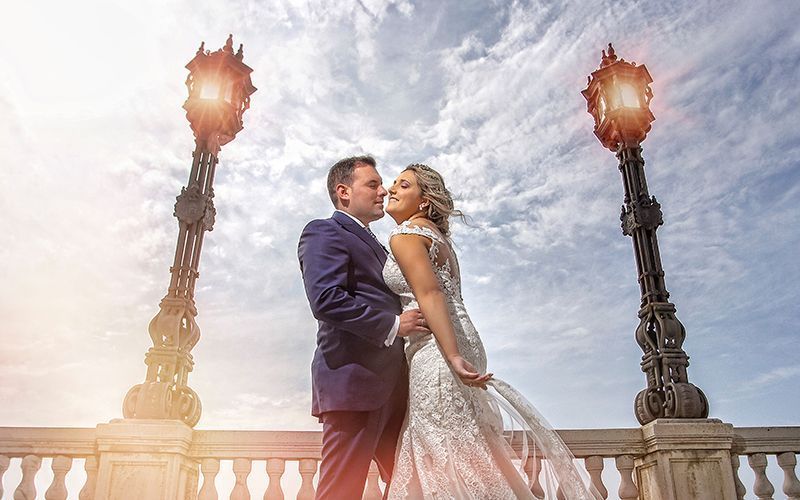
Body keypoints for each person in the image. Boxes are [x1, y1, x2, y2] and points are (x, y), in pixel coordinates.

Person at [383, 163, 601, 499]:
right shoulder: (439, 239)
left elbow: (430, 294)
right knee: (463, 442)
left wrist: (452, 356)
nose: (392, 188)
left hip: (439, 349)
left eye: (403, 185)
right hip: (460, 337)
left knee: (445, 447)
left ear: (424, 201)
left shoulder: (406, 234)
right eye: (393, 183)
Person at [298, 155, 430, 499]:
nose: (383, 191)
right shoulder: (323, 230)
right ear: (343, 192)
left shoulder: (379, 243)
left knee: (413, 487)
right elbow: (325, 299)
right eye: (372, 184)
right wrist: (394, 325)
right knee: (341, 491)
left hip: (394, 386)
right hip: (353, 382)